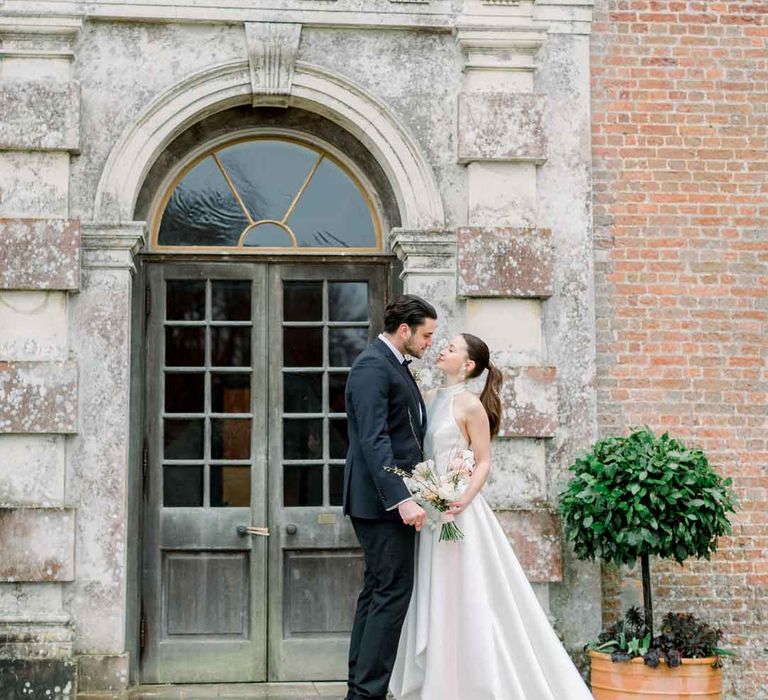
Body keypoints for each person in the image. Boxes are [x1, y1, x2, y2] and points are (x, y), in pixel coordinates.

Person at [389, 333, 594, 700]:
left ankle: (476, 682)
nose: (442, 350)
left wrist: (462, 498)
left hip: (460, 515)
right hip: (433, 516)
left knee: (466, 594)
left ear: (467, 365)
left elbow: (483, 461)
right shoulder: (431, 399)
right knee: (436, 596)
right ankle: (439, 679)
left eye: (451, 348)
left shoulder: (471, 407)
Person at [343, 294, 438, 700]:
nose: (430, 343)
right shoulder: (371, 367)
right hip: (381, 504)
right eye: (427, 335)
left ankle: (360, 691)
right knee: (391, 593)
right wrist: (402, 499)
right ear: (405, 330)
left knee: (380, 590)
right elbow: (375, 440)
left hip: (388, 501)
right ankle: (367, 693)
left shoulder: (395, 367)